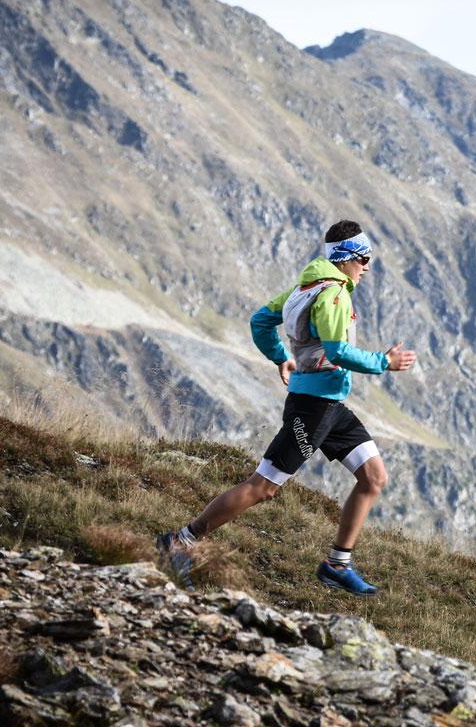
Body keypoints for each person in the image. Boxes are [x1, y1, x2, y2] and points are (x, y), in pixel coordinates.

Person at [156, 220, 417, 595]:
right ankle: (179, 541)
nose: (368, 266)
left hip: (330, 405)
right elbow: (337, 351)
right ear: (345, 258)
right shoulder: (334, 296)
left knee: (373, 477)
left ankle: (336, 564)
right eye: (364, 258)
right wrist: (383, 362)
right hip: (311, 410)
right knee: (262, 486)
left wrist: (281, 357)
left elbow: (261, 321)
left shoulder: (304, 288)